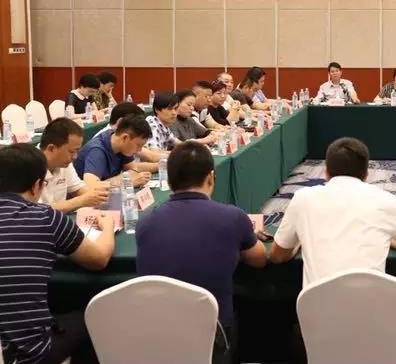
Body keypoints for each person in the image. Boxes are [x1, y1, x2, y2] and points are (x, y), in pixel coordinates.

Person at [136, 142, 267, 364]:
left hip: (157, 332)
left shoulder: (145, 222)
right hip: (212, 333)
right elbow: (259, 259)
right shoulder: (233, 217)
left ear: (169, 181)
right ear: (211, 177)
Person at [0, 144, 115, 364]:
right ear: (36, 185)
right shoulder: (45, 217)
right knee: (92, 318)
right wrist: (108, 225)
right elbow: (99, 259)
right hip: (26, 354)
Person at [271, 137, 396, 285]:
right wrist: (390, 240)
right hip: (373, 306)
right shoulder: (386, 200)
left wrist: (299, 243)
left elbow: (277, 256)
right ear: (367, 174)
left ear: (325, 173)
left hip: (317, 306)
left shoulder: (302, 198)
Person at [39, 118, 109, 213]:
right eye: (71, 151)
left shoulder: (63, 163)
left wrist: (100, 198)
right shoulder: (29, 165)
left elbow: (78, 189)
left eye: (77, 151)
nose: (75, 157)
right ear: (51, 148)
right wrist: (81, 201)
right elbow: (38, 211)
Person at [74, 114, 152, 189]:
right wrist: (126, 182)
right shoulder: (97, 151)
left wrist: (157, 165)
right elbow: (90, 185)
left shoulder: (121, 145)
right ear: (125, 138)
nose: (139, 150)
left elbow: (134, 169)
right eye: (138, 145)